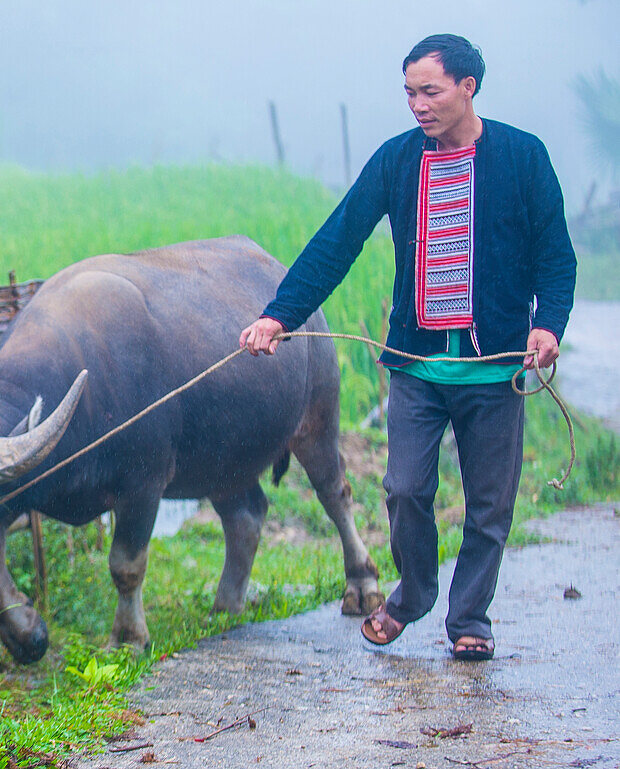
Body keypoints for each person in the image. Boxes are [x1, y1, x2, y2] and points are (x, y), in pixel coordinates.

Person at [239, 34, 576, 661]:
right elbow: (338, 239)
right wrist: (277, 315)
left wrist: (547, 326)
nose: (417, 105)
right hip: (417, 367)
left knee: (489, 506)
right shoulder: (397, 161)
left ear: (467, 87)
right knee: (405, 487)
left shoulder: (523, 158)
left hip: (496, 368)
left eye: (430, 91)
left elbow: (556, 257)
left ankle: (470, 616)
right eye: (409, 94)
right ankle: (415, 592)